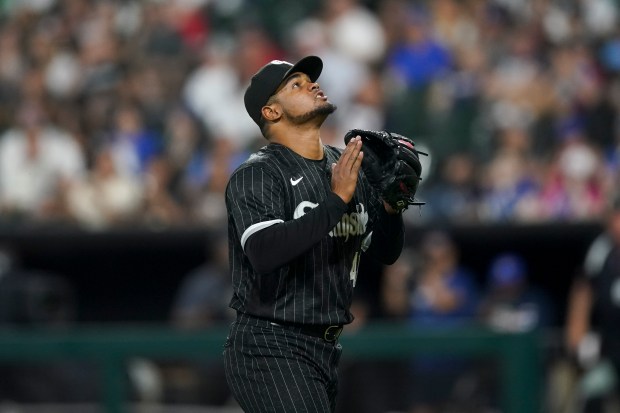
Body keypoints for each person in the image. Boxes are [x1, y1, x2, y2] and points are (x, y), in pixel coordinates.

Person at [223, 55, 407, 413]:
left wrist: (391, 207)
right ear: (272, 112)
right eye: (296, 84)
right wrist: (336, 199)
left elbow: (386, 251)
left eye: (310, 80)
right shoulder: (259, 173)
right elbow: (263, 252)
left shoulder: (344, 164)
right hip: (270, 344)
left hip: (325, 347)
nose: (312, 84)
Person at [565, 194, 620, 412]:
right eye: (615, 217)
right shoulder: (600, 251)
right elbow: (583, 293)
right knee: (591, 391)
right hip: (611, 348)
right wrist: (578, 338)